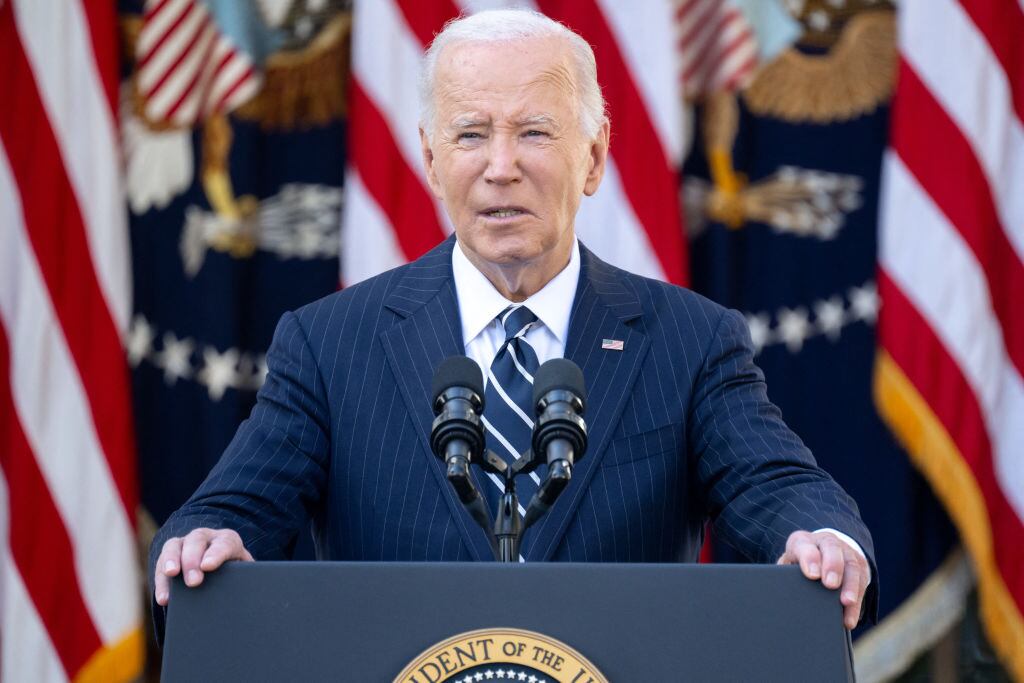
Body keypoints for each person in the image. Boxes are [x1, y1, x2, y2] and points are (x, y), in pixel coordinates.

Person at [151, 9, 876, 638]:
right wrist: (204, 541)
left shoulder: (691, 340)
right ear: (432, 160)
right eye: (470, 135)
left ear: (593, 157)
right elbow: (233, 508)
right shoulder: (328, 342)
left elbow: (773, 483)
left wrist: (821, 537)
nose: (501, 167)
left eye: (534, 131)